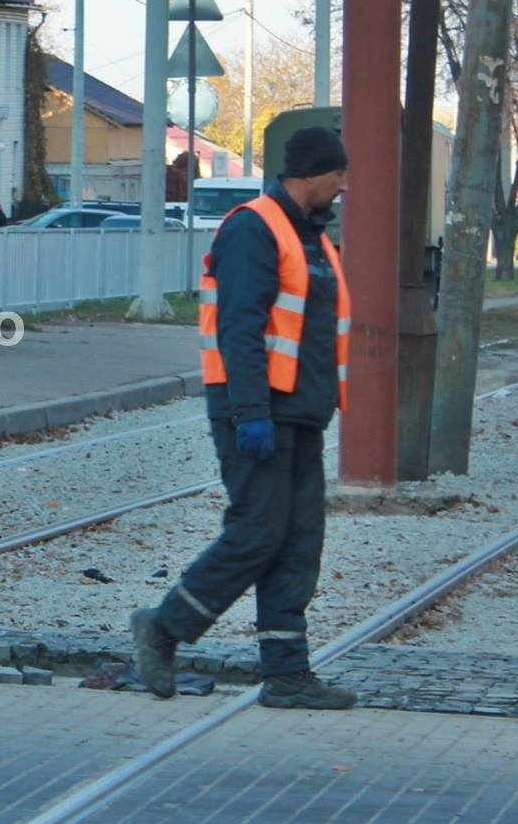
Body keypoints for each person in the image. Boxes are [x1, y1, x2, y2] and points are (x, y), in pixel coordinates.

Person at [130, 126, 355, 710]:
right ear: (312, 174)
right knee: (257, 533)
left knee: (298, 541)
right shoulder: (255, 228)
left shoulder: (312, 238)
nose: (343, 186)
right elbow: (240, 327)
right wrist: (250, 411)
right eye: (338, 175)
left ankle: (287, 674)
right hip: (256, 414)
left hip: (300, 414)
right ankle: (163, 626)